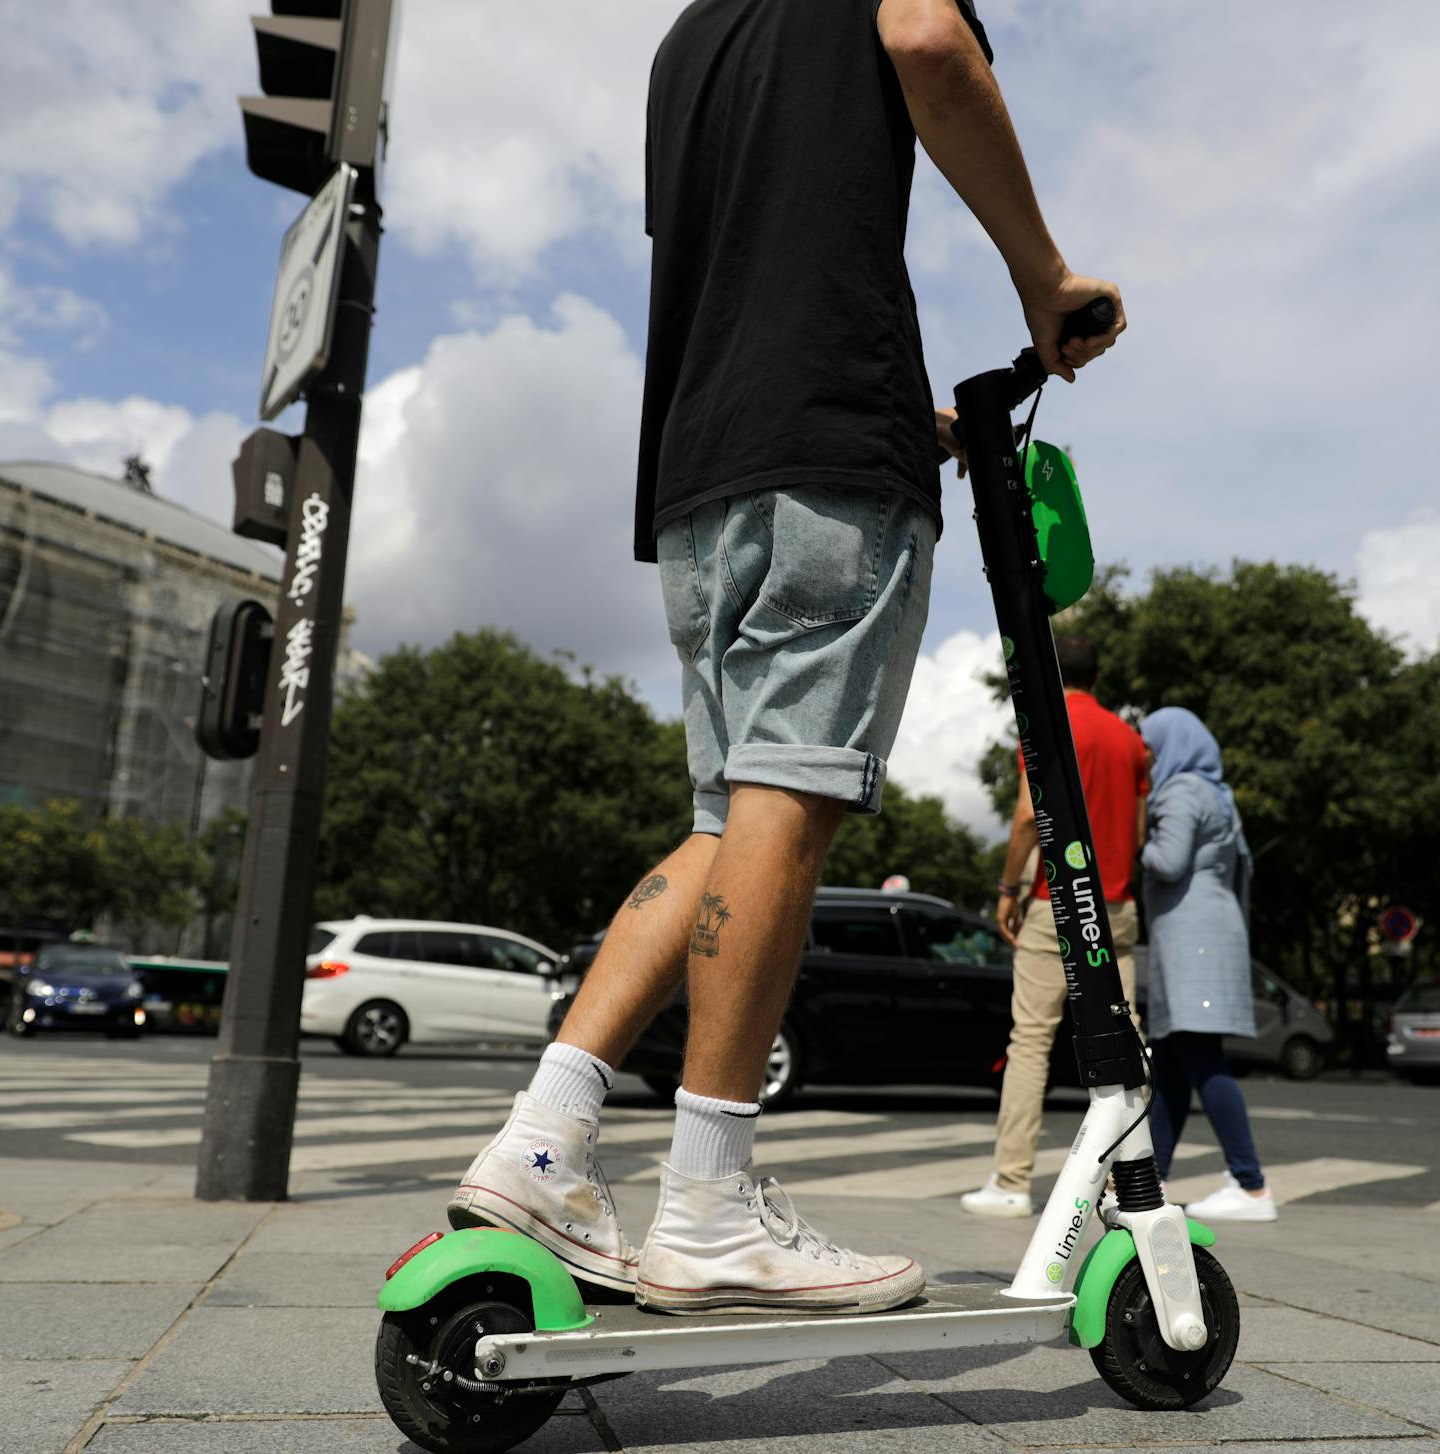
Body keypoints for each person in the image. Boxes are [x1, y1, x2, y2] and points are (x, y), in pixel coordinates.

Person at [447, 0, 1124, 1317]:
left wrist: (899, 418)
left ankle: (539, 1138)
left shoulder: (687, 41)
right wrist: (1045, 279)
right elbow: (930, 40)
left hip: (704, 474)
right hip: (824, 465)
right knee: (793, 792)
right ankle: (706, 1202)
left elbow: (745, 259)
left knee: (726, 815)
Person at [962, 635, 1148, 1217]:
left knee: (1031, 1041)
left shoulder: (1046, 725)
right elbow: (1138, 835)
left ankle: (1012, 1182)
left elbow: (1025, 817)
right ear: (1097, 674)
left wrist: (1008, 887)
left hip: (1054, 902)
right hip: (1115, 906)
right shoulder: (1131, 741)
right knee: (1126, 1042)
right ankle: (1132, 1185)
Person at [1139, 707, 1272, 1222]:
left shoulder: (1181, 791)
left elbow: (1169, 862)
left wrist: (1134, 839)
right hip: (1212, 931)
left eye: (1150, 747)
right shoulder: (1217, 792)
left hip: (1191, 937)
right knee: (1173, 1064)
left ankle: (1251, 1183)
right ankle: (1151, 1184)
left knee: (1200, 1057)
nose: (1146, 758)